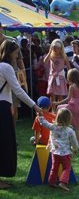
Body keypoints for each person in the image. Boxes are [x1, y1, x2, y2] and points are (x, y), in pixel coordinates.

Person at [0, 40, 42, 189]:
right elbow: (17, 90)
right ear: (10, 53)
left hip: (4, 105)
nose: (17, 57)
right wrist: (35, 106)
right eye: (16, 53)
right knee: (4, 143)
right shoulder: (6, 67)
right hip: (2, 107)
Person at [38, 108, 79, 191]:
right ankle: (62, 182)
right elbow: (74, 141)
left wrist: (40, 116)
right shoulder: (69, 130)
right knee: (67, 168)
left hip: (55, 153)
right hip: (65, 154)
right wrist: (75, 148)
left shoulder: (53, 127)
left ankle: (51, 182)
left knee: (54, 168)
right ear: (68, 119)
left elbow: (44, 123)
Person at [53, 69, 79, 141]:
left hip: (72, 106)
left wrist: (58, 103)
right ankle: (77, 144)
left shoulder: (72, 86)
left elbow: (68, 99)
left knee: (59, 108)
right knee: (77, 127)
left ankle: (57, 124)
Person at [44, 39, 70, 111]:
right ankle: (53, 111)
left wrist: (69, 77)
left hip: (60, 77)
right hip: (52, 77)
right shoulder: (51, 55)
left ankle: (60, 110)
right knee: (52, 95)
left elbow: (68, 66)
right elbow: (45, 62)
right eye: (54, 48)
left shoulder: (63, 56)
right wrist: (49, 52)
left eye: (57, 48)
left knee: (60, 95)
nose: (55, 49)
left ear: (60, 48)